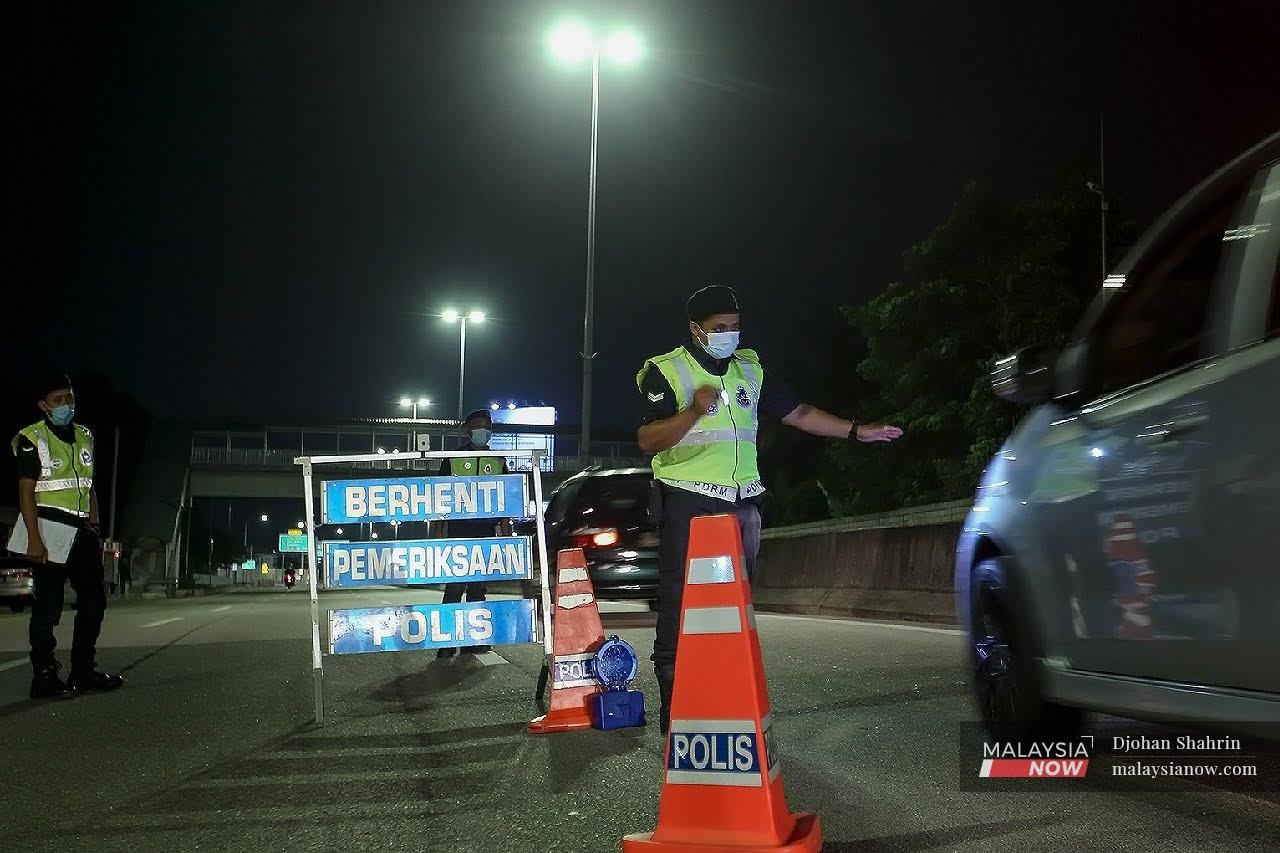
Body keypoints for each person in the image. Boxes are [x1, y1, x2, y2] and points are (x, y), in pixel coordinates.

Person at [637, 286, 903, 731]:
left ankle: (723, 692)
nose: (729, 335)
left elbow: (799, 413)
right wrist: (693, 412)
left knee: (734, 602)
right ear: (695, 329)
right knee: (681, 599)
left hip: (743, 503)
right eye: (720, 328)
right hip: (689, 498)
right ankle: (673, 698)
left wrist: (858, 431)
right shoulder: (665, 371)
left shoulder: (750, 369)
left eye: (735, 326)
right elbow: (648, 440)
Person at [10, 374, 124, 700]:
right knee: (49, 606)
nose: (66, 405)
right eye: (58, 399)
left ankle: (83, 670)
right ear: (44, 405)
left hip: (82, 530)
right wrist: (33, 538)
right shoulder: (33, 438)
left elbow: (88, 482)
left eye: (70, 398)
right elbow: (26, 492)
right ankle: (44, 676)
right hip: (49, 527)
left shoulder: (85, 435)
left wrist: (95, 519)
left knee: (94, 602)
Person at [434, 409, 511, 659]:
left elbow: (505, 500)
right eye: (478, 426)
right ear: (468, 430)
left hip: (485, 535)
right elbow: (439, 497)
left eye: (487, 426)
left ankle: (475, 640)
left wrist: (506, 538)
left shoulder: (499, 461)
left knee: (478, 590)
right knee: (454, 590)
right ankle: (446, 643)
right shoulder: (453, 458)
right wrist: (437, 535)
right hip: (458, 534)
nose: (483, 431)